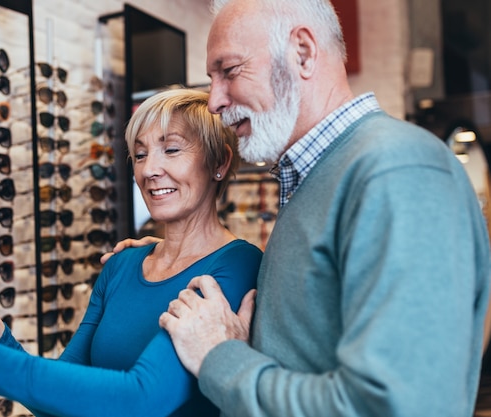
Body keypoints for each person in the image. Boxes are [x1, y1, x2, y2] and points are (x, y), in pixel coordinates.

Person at [110, 0, 491, 416]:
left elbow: (394, 405)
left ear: (303, 53)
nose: (215, 101)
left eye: (230, 71)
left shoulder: (397, 170)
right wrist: (176, 257)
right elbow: (307, 343)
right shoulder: (320, 180)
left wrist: (221, 357)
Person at [0, 88, 263, 417]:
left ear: (219, 163)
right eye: (140, 154)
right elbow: (57, 403)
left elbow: (144, 398)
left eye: (172, 149)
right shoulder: (122, 265)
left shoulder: (237, 265)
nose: (149, 170)